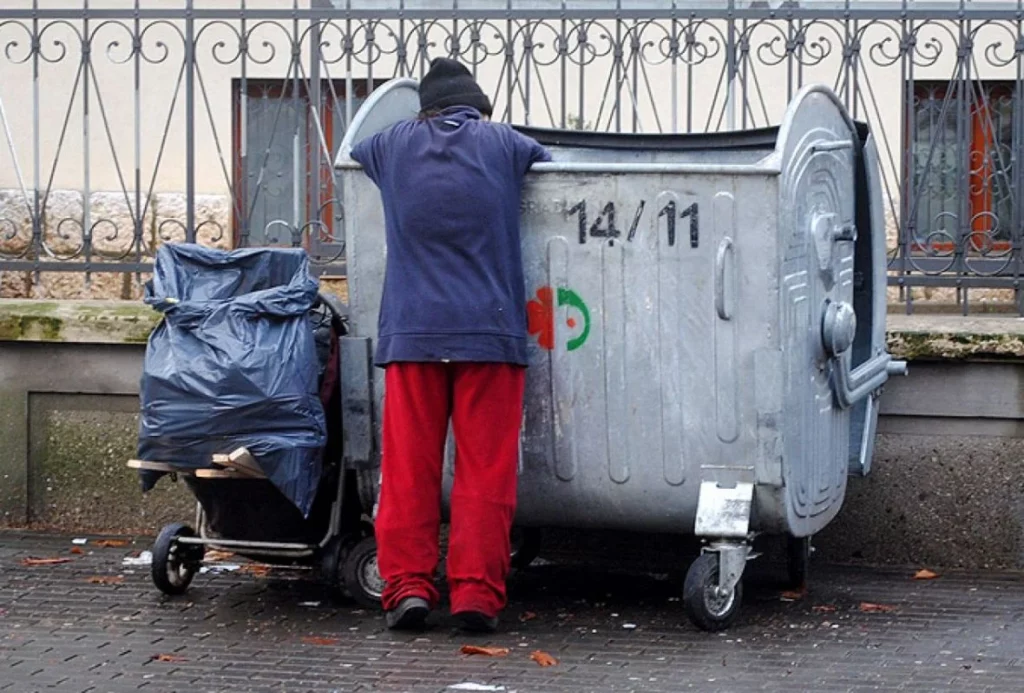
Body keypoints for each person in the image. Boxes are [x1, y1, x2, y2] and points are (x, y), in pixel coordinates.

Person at [350, 58, 551, 633]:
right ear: (479, 108)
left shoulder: (390, 147)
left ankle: (408, 587)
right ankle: (475, 597)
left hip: (413, 335)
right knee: (484, 473)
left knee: (410, 469)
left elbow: (355, 152)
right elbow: (560, 171)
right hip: (490, 336)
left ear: (426, 110)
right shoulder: (506, 145)